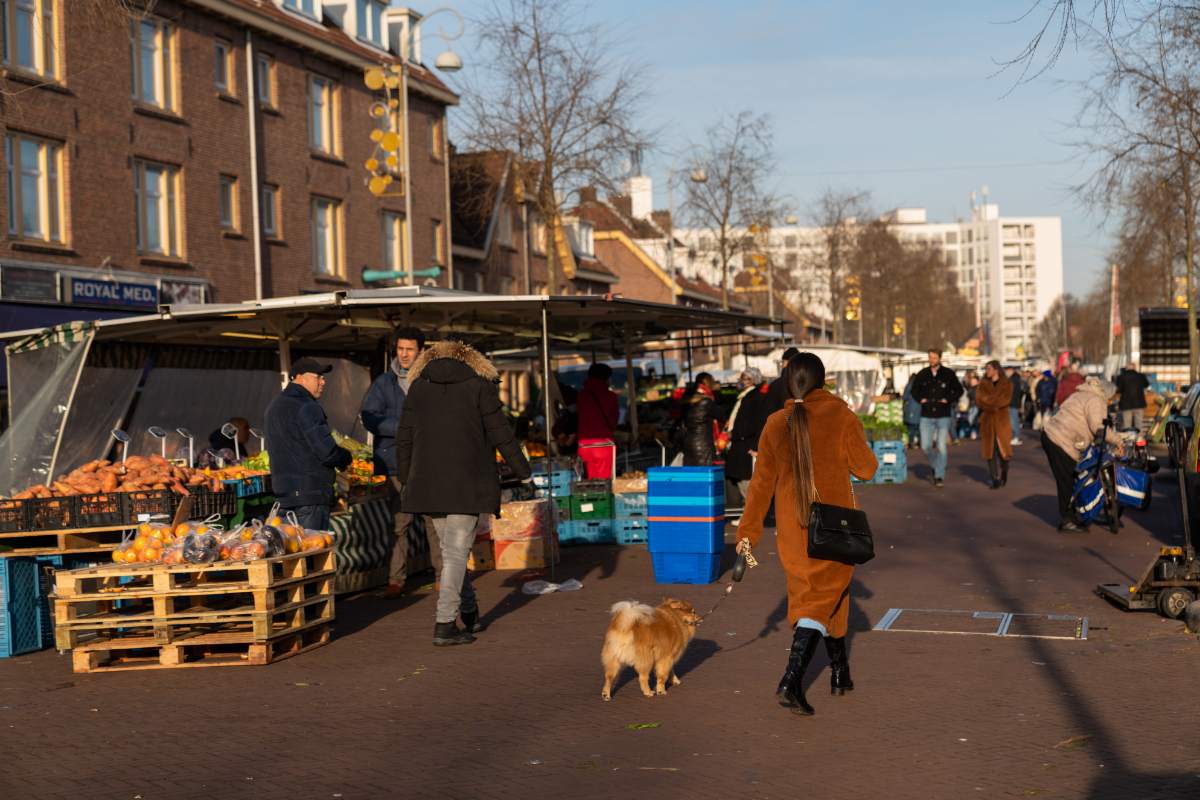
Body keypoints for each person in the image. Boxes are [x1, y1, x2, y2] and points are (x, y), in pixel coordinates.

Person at [737, 352, 878, 716]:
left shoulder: (774, 422)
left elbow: (760, 484)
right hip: (832, 525)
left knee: (826, 595)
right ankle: (793, 678)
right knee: (819, 599)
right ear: (823, 379)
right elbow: (867, 469)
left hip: (791, 526)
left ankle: (840, 672)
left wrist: (748, 532)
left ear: (788, 382)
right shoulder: (841, 416)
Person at [395, 333, 534, 647]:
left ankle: (470, 613)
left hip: (428, 484)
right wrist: (524, 475)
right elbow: (502, 435)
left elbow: (404, 437)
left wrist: (406, 479)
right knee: (456, 554)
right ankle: (445, 624)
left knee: (451, 553)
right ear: (470, 356)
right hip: (467, 483)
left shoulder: (418, 387)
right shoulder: (480, 386)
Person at [361, 327, 442, 600]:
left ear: (421, 350)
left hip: (428, 460)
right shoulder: (384, 383)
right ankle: (395, 580)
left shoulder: (432, 379)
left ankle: (443, 577)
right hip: (396, 461)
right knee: (399, 523)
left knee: (434, 521)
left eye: (409, 349)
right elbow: (369, 416)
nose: (404, 354)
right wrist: (403, 427)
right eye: (400, 348)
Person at [264, 358, 353, 531]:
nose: (323, 382)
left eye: (323, 377)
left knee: (293, 547)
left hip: (284, 496)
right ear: (300, 378)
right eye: (318, 377)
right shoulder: (306, 406)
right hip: (310, 497)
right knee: (312, 546)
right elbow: (328, 453)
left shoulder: (273, 406)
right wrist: (346, 457)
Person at [1041, 376, 1124, 532]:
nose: (1111, 402)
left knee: (1071, 477)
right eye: (1111, 398)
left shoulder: (1082, 394)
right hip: (1060, 440)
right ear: (1106, 393)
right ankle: (1067, 520)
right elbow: (1097, 426)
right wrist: (1118, 441)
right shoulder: (1095, 399)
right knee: (1067, 480)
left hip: (1053, 435)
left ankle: (1071, 515)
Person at [910, 349, 963, 488]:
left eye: (934, 358)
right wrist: (921, 399)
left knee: (941, 446)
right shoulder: (923, 374)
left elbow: (959, 390)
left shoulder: (948, 374)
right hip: (926, 414)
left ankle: (939, 476)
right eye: (930, 357)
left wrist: (948, 399)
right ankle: (935, 466)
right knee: (925, 446)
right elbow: (914, 390)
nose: (931, 360)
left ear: (939, 358)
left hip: (943, 414)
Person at [724, 368, 770, 511]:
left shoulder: (753, 399)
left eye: (743, 378)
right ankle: (742, 514)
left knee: (746, 488)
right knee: (741, 485)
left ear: (752, 381)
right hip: (740, 448)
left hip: (745, 448)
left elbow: (752, 425)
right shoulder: (746, 397)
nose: (740, 381)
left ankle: (749, 516)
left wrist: (733, 434)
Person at [576, 363, 620, 480]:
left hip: (584, 447)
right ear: (607, 378)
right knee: (605, 483)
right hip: (604, 445)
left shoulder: (581, 395)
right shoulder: (611, 396)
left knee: (587, 483)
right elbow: (615, 418)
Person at [977, 361, 1014, 489]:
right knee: (989, 451)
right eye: (986, 369)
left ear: (996, 370)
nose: (987, 371)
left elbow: (1005, 400)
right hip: (987, 421)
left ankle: (1004, 471)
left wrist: (988, 400)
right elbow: (980, 401)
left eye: (989, 369)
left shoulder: (1007, 384)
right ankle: (994, 478)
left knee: (1003, 449)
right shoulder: (983, 384)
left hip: (1002, 421)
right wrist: (993, 406)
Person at [680, 372, 728, 467]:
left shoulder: (687, 398)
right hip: (703, 446)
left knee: (692, 473)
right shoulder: (706, 401)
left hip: (688, 443)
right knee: (705, 474)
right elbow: (721, 414)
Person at [1114, 362, 1151, 432]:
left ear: (1126, 368)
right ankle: (1139, 437)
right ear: (1135, 368)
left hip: (1126, 405)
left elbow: (1118, 389)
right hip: (1139, 404)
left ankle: (1128, 438)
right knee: (1138, 425)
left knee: (1127, 425)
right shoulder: (1140, 376)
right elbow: (1146, 385)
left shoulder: (1121, 377)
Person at [764, 347, 801, 417]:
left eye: (783, 362)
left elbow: (769, 413)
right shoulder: (803, 383)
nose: (782, 365)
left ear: (787, 361)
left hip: (780, 421)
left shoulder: (776, 385)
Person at [1005, 366, 1025, 446]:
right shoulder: (1016, 379)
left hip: (1012, 403)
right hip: (1013, 403)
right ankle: (1016, 436)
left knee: (1014, 421)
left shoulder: (1012, 380)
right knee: (1013, 420)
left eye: (1007, 371)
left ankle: (1017, 436)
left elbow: (1009, 392)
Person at [901, 373, 921, 449]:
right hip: (920, 407)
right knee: (919, 426)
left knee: (911, 426)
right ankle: (920, 442)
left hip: (912, 407)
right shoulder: (921, 384)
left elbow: (905, 396)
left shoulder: (910, 385)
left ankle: (912, 442)